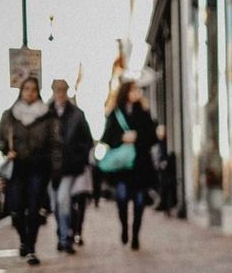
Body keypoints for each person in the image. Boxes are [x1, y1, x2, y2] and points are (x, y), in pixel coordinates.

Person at [0, 76, 62, 265]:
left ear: (37, 92)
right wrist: (7, 150)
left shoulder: (48, 116)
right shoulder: (10, 115)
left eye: (33, 89)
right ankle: (23, 239)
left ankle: (31, 248)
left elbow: (56, 144)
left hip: (39, 167)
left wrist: (55, 168)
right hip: (17, 168)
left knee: (33, 210)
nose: (30, 92)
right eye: (26, 89)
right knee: (15, 210)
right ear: (21, 91)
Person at [100, 80, 156, 250]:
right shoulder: (115, 113)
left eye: (137, 90)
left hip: (140, 166)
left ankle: (135, 235)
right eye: (132, 90)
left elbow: (152, 137)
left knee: (139, 202)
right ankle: (124, 227)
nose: (136, 93)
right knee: (122, 199)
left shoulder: (144, 112)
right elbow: (106, 138)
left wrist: (137, 137)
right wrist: (121, 139)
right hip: (122, 168)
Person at [48, 79, 93, 254]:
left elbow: (87, 141)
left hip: (69, 168)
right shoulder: (45, 112)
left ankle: (65, 239)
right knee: (55, 205)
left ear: (66, 91)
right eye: (57, 90)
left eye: (62, 90)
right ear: (52, 91)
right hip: (50, 168)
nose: (60, 93)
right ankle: (61, 232)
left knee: (63, 201)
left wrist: (78, 158)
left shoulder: (77, 114)